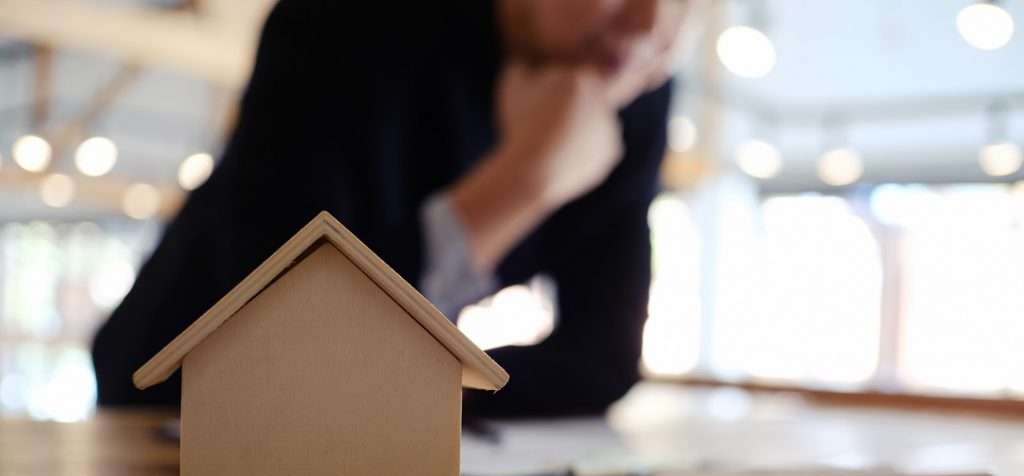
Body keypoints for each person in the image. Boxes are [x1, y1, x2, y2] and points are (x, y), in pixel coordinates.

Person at [92, 0, 696, 416]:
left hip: (349, 445)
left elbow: (604, 362)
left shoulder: (632, 81)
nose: (650, 25)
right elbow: (291, 337)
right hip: (169, 416)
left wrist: (397, 402)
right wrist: (523, 183)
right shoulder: (341, 24)